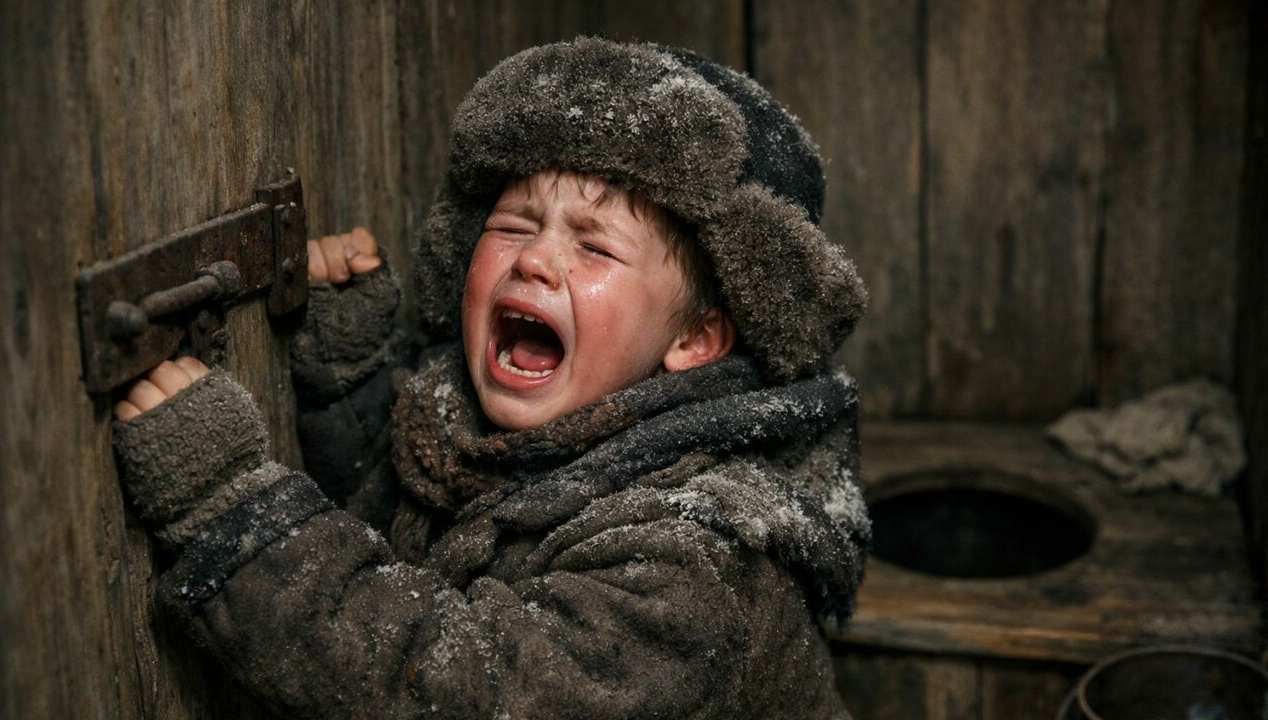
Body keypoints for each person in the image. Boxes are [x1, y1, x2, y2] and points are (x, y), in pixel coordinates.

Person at [112, 38, 870, 718]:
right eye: (512, 225)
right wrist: (353, 381)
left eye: (595, 248)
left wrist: (232, 515)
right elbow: (411, 537)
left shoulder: (701, 564)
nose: (534, 258)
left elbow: (462, 686)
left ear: (695, 339)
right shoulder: (485, 437)